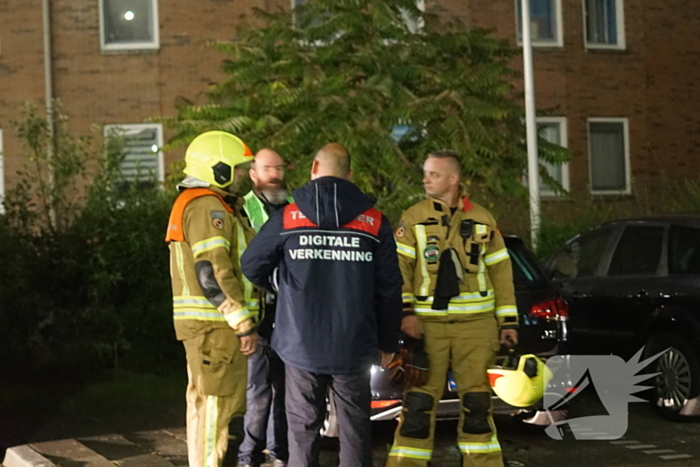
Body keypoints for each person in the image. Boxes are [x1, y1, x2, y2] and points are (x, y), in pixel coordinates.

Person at [240, 143, 403, 467]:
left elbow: (251, 263)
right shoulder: (373, 222)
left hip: (299, 344)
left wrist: (279, 283)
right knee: (356, 428)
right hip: (354, 343)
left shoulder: (288, 216)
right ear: (350, 175)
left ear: (314, 169)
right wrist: (387, 342)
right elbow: (389, 288)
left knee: (302, 429)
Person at [385, 150, 519, 467]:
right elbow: (398, 269)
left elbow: (501, 271)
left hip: (477, 325)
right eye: (426, 173)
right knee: (417, 405)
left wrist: (508, 321)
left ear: (453, 179)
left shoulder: (483, 219)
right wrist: (406, 314)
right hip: (427, 327)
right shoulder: (413, 217)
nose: (425, 179)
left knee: (477, 404)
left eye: (433, 174)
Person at [165, 130, 260, 467]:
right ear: (218, 169)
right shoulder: (207, 207)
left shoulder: (205, 204)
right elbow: (213, 270)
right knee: (215, 411)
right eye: (236, 169)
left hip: (210, 327)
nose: (240, 177)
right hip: (216, 327)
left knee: (209, 407)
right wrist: (241, 321)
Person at [238, 148, 292, 467]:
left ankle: (279, 452)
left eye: (280, 168)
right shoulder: (241, 210)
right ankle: (248, 455)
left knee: (284, 389)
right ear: (253, 174)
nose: (275, 175)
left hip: (285, 313)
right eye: (267, 168)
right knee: (258, 389)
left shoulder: (295, 210)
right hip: (255, 313)